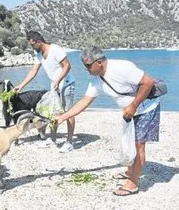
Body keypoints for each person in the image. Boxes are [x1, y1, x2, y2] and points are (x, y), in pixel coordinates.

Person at [55, 46, 160, 196]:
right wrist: (63, 117)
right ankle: (131, 171)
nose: (86, 69)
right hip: (129, 113)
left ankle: (133, 183)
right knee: (128, 142)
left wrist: (133, 106)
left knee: (138, 145)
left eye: (87, 66)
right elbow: (84, 101)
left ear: (99, 62)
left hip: (146, 108)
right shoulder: (97, 80)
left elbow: (148, 82)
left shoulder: (122, 67)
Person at [14, 31, 76, 152]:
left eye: (32, 45)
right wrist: (21, 86)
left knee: (68, 113)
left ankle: (69, 142)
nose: (31, 47)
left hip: (67, 84)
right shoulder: (39, 54)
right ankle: (52, 140)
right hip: (55, 86)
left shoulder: (55, 49)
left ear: (38, 42)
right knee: (53, 113)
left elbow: (67, 66)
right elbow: (33, 72)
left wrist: (58, 80)